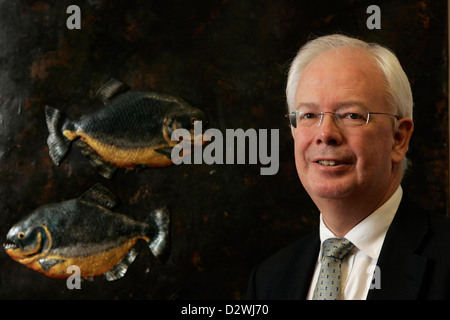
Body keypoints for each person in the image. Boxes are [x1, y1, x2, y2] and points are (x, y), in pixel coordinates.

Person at [247, 34, 450, 300]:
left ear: (399, 138)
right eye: (309, 115)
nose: (325, 133)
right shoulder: (268, 281)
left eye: (352, 115)